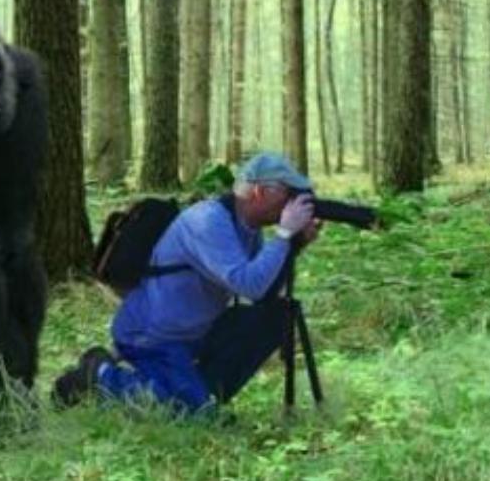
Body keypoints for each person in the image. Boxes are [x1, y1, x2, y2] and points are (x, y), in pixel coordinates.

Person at [53, 152, 321, 413]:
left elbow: (265, 292)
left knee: (274, 316)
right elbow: (248, 284)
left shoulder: (247, 229)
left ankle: (197, 393)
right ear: (259, 192)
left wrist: (293, 245)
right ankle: (99, 375)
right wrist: (284, 234)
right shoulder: (208, 221)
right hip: (153, 336)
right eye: (288, 196)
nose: (291, 205)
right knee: (186, 412)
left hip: (193, 334)